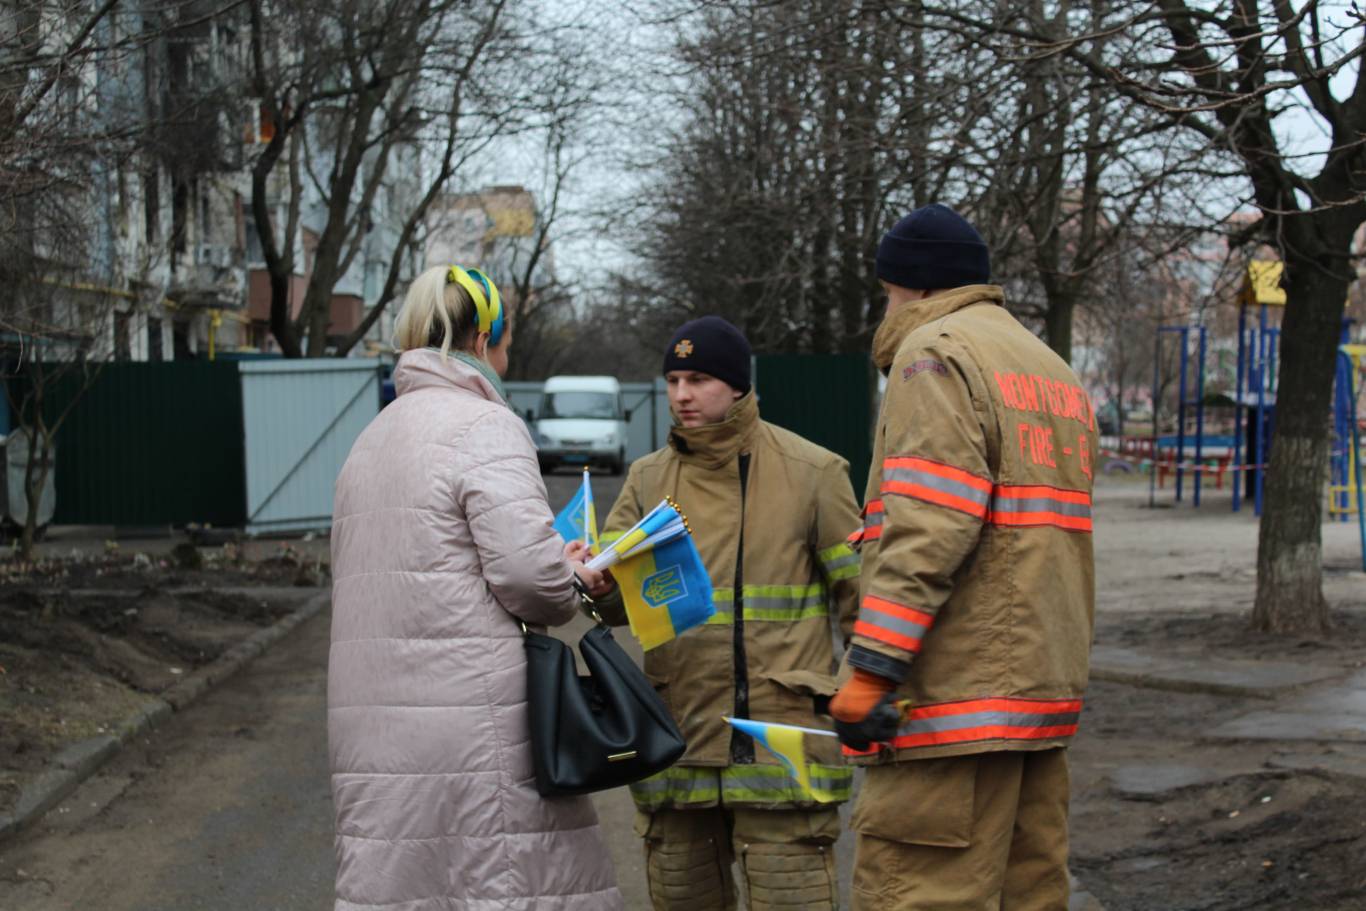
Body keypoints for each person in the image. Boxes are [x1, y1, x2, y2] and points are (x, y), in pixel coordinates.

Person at [328, 264, 623, 911]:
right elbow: (532, 582)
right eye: (507, 340)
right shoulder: (485, 426)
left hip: (373, 724)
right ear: (487, 337)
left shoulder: (370, 441)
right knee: (500, 882)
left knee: (404, 884)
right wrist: (570, 571)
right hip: (472, 721)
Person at [828, 204, 1096, 910]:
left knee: (916, 893)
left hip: (951, 706)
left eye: (886, 291)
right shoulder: (1051, 371)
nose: (885, 306)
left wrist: (870, 669)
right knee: (1028, 894)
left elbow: (927, 530)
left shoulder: (934, 356)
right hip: (1040, 701)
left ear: (911, 285)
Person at [596, 315, 863, 911]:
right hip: (678, 743)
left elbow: (863, 602)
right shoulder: (647, 480)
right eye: (673, 379)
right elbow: (615, 607)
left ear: (738, 385)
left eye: (698, 378)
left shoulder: (814, 474)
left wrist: (866, 694)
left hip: (780, 747)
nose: (682, 395)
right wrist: (592, 581)